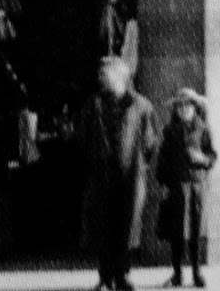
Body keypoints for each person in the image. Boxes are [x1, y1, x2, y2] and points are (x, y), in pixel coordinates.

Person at [80, 56, 159, 291]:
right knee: (103, 226)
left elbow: (150, 141)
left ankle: (122, 275)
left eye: (106, 74)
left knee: (126, 228)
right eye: (101, 74)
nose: (101, 78)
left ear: (121, 76)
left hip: (130, 177)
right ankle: (105, 275)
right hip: (102, 177)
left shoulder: (140, 105)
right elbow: (82, 138)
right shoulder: (93, 105)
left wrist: (136, 164)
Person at [157, 89, 216, 288]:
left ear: (195, 107)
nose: (184, 109)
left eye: (188, 105)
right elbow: (162, 160)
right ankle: (177, 273)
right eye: (180, 106)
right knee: (177, 232)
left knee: (196, 231)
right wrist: (163, 184)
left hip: (196, 186)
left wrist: (203, 159)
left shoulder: (203, 129)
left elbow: (212, 156)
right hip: (176, 187)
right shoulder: (169, 130)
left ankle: (197, 272)